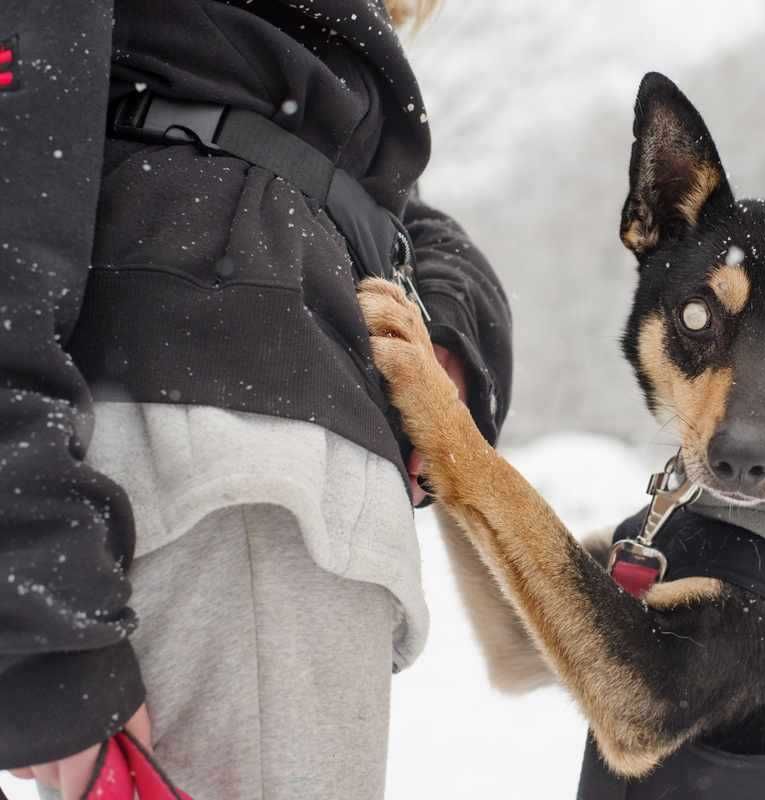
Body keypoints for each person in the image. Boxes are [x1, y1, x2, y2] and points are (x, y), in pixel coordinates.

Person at [0, 0, 512, 797]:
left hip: (246, 413)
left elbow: (385, 207)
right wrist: (37, 579)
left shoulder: (269, 73)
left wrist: (445, 323)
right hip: (229, 444)